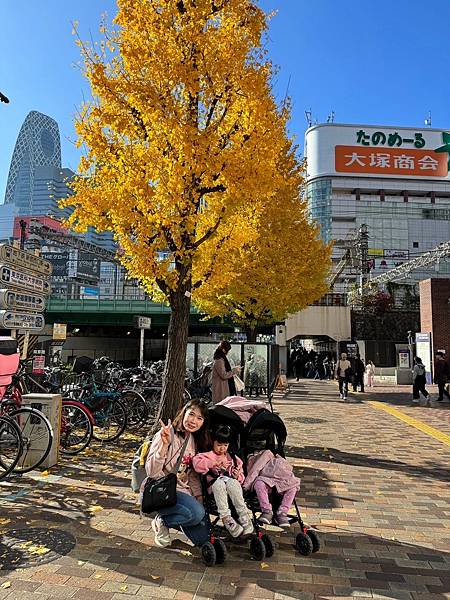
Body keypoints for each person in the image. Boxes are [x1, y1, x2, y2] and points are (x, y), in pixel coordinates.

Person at [144, 399, 211, 548]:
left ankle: (178, 516)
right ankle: (162, 521)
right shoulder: (167, 434)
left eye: (199, 418)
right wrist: (164, 445)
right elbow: (152, 472)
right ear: (184, 412)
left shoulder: (194, 440)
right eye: (191, 414)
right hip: (161, 491)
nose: (194, 421)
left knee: (202, 540)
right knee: (196, 513)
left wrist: (198, 496)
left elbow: (191, 474)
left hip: (183, 491)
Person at [193, 425, 253, 537]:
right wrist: (213, 464)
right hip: (215, 486)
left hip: (231, 489)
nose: (222, 448)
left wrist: (237, 476)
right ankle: (226, 518)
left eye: (225, 445)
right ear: (213, 442)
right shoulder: (207, 456)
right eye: (219, 445)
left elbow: (241, 477)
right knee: (220, 483)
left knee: (233, 482)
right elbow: (196, 464)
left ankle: (243, 515)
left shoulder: (233, 458)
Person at [243, 449, 300, 528]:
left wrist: (246, 486)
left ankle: (282, 512)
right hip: (267, 479)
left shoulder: (269, 454)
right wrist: (247, 485)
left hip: (282, 479)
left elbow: (288, 470)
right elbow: (255, 470)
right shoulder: (257, 457)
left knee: (293, 486)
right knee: (259, 483)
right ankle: (267, 511)